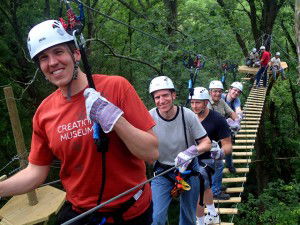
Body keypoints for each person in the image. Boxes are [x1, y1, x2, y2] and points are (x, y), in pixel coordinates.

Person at [0, 20, 159, 225]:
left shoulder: (116, 87)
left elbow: (151, 152)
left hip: (131, 213)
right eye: (43, 58)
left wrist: (115, 119)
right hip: (83, 214)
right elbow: (35, 172)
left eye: (58, 52)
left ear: (75, 54)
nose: (52, 62)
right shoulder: (44, 113)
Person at [148, 76, 211, 225]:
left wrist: (190, 152)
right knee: (156, 218)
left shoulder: (187, 115)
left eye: (165, 95)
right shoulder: (149, 117)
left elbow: (206, 143)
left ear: (173, 95)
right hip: (163, 172)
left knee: (188, 217)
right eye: (157, 97)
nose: (161, 101)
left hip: (188, 171)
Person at [190, 87, 232, 225]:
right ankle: (213, 214)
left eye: (198, 103)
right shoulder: (189, 117)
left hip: (211, 159)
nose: (194, 106)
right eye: (192, 102)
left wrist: (220, 152)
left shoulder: (218, 119)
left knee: (199, 187)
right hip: (194, 157)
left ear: (206, 103)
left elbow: (228, 145)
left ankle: (200, 221)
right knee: (207, 187)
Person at [208, 80, 238, 174]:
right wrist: (227, 123)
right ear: (210, 92)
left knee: (228, 147)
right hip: (211, 135)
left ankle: (229, 165)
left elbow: (231, 112)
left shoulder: (221, 101)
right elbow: (210, 121)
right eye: (215, 91)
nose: (217, 94)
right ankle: (215, 186)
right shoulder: (207, 103)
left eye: (220, 91)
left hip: (221, 132)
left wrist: (236, 121)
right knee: (216, 161)